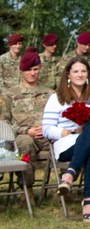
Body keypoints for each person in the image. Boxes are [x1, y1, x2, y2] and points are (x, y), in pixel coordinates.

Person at [42, 57, 90, 223]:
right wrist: (73, 130)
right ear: (68, 74)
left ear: (88, 74)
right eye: (76, 71)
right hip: (69, 144)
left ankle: (70, 174)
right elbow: (47, 129)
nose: (80, 75)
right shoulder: (56, 98)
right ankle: (89, 200)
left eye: (83, 71)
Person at [0, 52, 51, 187]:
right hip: (23, 136)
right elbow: (4, 123)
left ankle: (64, 186)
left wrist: (49, 129)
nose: (32, 73)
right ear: (21, 70)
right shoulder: (10, 94)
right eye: (28, 70)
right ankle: (26, 189)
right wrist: (27, 130)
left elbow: (58, 117)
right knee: (25, 143)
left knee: (72, 141)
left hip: (48, 135)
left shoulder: (49, 93)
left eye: (35, 69)